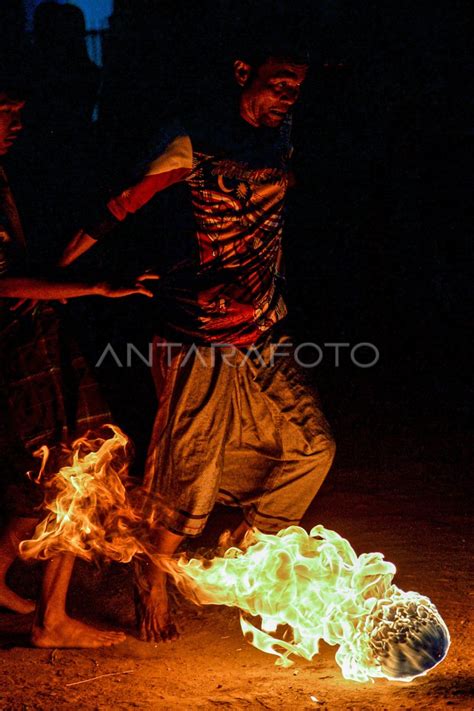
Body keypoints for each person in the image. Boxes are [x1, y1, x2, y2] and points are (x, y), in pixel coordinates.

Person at [58, 40, 336, 643]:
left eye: (297, 88)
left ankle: (249, 550)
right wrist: (56, 276)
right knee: (191, 466)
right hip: (198, 335)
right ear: (243, 72)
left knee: (313, 447)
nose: (289, 97)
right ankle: (153, 575)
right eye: (279, 83)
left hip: (266, 328)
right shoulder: (191, 138)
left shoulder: (282, 135)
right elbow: (119, 207)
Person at [0, 81, 155, 647]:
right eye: (3, 112)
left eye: (19, 109)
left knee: (32, 480)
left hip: (29, 339)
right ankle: (51, 620)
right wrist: (93, 285)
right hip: (18, 346)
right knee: (79, 467)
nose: (16, 122)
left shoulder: (7, 173)